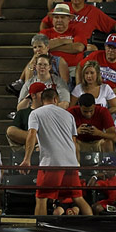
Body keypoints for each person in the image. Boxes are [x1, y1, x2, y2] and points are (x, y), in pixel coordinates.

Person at [20, 88, 93, 216]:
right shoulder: (68, 115)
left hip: (52, 163)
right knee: (78, 198)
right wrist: (77, 162)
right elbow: (74, 142)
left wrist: (27, 159)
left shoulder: (36, 114)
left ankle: (40, 231)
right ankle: (93, 226)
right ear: (56, 99)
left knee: (41, 198)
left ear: (43, 101)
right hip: (71, 163)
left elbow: (32, 134)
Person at [75, 33, 116, 103]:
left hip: (110, 92)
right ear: (105, 46)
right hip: (92, 88)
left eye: (114, 48)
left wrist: (105, 92)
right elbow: (79, 66)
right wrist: (79, 86)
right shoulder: (96, 55)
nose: (110, 50)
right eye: (109, 47)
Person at [39, 3, 87, 70]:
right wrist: (65, 41)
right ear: (52, 19)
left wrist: (51, 48)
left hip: (74, 68)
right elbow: (40, 48)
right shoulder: (45, 32)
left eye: (62, 17)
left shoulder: (77, 30)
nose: (59, 20)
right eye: (56, 17)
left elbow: (79, 48)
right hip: (50, 68)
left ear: (69, 19)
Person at [7, 82, 45, 150]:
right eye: (42, 94)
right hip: (30, 140)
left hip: (46, 140)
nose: (45, 96)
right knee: (10, 130)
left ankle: (35, 142)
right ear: (33, 95)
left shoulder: (49, 111)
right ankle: (34, 141)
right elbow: (12, 131)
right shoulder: (23, 112)